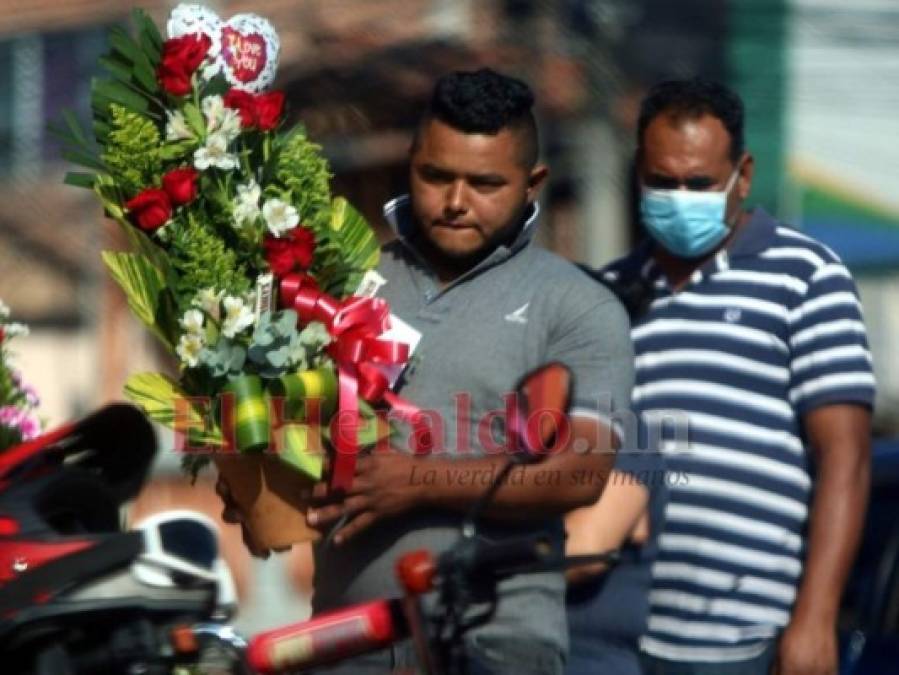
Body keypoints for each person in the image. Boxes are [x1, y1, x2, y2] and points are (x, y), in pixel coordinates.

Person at [224, 68, 634, 674]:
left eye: (485, 182)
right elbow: (293, 430)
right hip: (345, 643)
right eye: (436, 176)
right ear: (410, 163)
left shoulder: (576, 305)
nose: (456, 201)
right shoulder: (341, 282)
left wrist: (418, 481)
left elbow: (581, 472)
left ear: (532, 184)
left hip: (493, 647)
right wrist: (255, 476)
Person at [596, 78, 875, 674]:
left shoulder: (805, 276)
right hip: (621, 637)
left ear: (741, 176)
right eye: (662, 181)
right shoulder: (607, 295)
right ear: (638, 174)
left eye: (699, 183)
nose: (678, 197)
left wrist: (816, 619)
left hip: (752, 640)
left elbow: (845, 456)